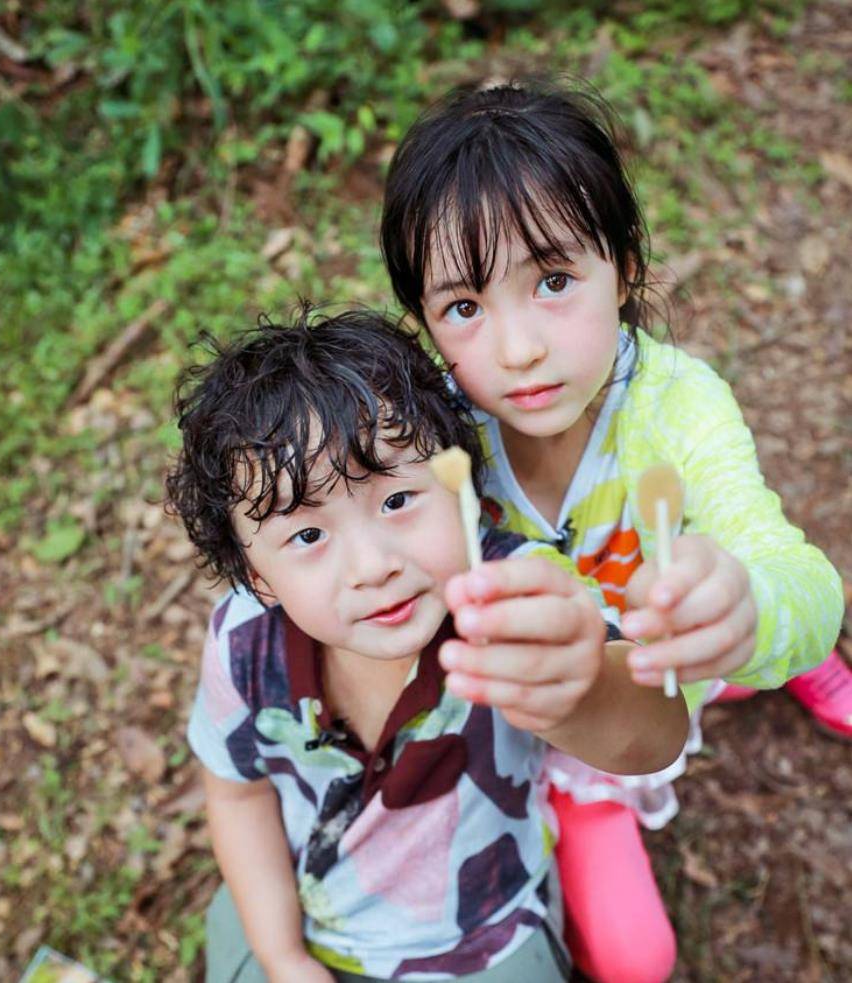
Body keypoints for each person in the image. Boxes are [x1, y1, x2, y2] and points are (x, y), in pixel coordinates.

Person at [379, 76, 845, 983]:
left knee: (731, 622)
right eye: (464, 308)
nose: (517, 350)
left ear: (625, 265)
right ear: (425, 323)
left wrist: (755, 603)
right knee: (638, 959)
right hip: (561, 715)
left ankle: (769, 664)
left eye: (553, 281)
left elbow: (797, 575)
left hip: (655, 665)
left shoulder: (679, 407)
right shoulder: (432, 429)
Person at [166, 306, 690, 982]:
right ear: (256, 576)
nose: (371, 565)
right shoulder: (242, 646)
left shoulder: (516, 594)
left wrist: (579, 686)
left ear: (460, 483)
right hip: (301, 917)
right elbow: (238, 796)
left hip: (485, 941)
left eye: (396, 500)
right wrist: (283, 956)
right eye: (307, 535)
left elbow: (653, 738)